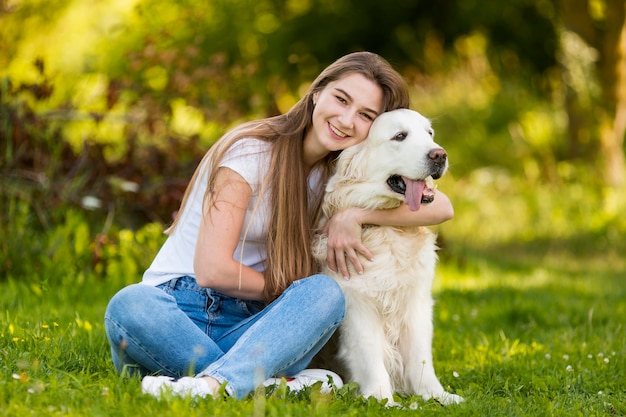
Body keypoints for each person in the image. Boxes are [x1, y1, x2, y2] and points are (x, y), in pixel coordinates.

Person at [104, 51, 454, 400]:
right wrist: (288, 297)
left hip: (259, 325)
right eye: (341, 99)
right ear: (317, 92)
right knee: (129, 303)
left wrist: (355, 215)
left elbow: (442, 206)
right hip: (179, 315)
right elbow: (213, 271)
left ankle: (209, 386)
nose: (347, 120)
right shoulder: (250, 154)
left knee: (325, 293)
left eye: (365, 115)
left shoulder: (341, 171)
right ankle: (253, 381)